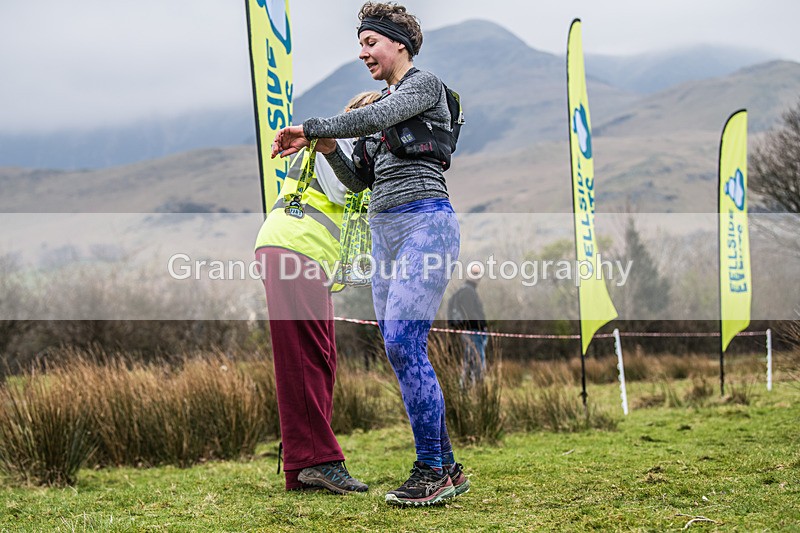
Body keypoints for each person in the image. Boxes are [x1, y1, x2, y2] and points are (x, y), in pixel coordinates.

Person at [271, 1, 469, 507]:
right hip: (383, 234)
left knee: (404, 344)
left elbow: (381, 113)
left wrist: (316, 126)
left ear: (397, 44)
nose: (362, 53)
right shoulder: (377, 112)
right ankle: (446, 468)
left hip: (425, 221)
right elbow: (360, 180)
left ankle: (430, 471)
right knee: (401, 350)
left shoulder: (422, 86)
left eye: (369, 42)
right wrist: (330, 149)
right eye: (359, 44)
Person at [255, 91, 381, 495]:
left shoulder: (335, 144)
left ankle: (302, 466)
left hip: (303, 254)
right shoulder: (340, 145)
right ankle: (320, 461)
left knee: (321, 357)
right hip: (295, 250)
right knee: (304, 357)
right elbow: (349, 190)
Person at [448, 264, 489, 384]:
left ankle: (467, 392)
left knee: (470, 364)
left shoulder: (465, 291)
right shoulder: (468, 292)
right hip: (473, 333)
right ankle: (476, 393)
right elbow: (469, 314)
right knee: (477, 366)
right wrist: (481, 326)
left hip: (471, 332)